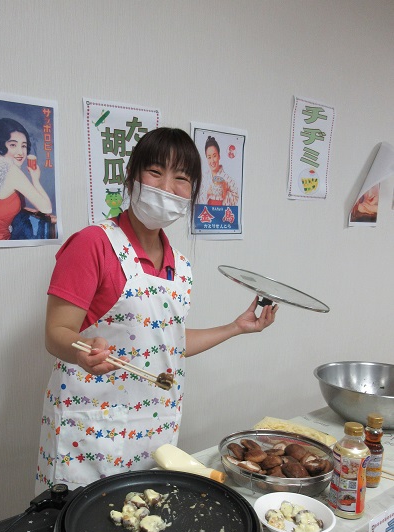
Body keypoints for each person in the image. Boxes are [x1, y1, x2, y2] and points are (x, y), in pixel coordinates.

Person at [36, 127, 277, 492]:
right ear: (132, 177)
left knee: (142, 518)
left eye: (181, 178)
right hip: (90, 433)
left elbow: (166, 344)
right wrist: (81, 351)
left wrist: (235, 327)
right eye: (155, 172)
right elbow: (55, 332)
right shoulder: (93, 244)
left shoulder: (180, 266)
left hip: (153, 432)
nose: (167, 187)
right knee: (77, 523)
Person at [0, 118, 52, 241]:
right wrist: (35, 179)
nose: (20, 152)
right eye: (13, 145)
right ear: (1, 143)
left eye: (23, 146)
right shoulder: (12, 172)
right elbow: (46, 208)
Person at [200, 135, 239, 206]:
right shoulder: (203, 178)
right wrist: (207, 192)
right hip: (206, 212)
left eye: (214, 156)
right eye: (209, 157)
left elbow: (236, 197)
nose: (212, 161)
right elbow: (196, 198)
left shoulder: (228, 179)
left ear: (219, 156)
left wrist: (224, 192)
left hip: (221, 212)